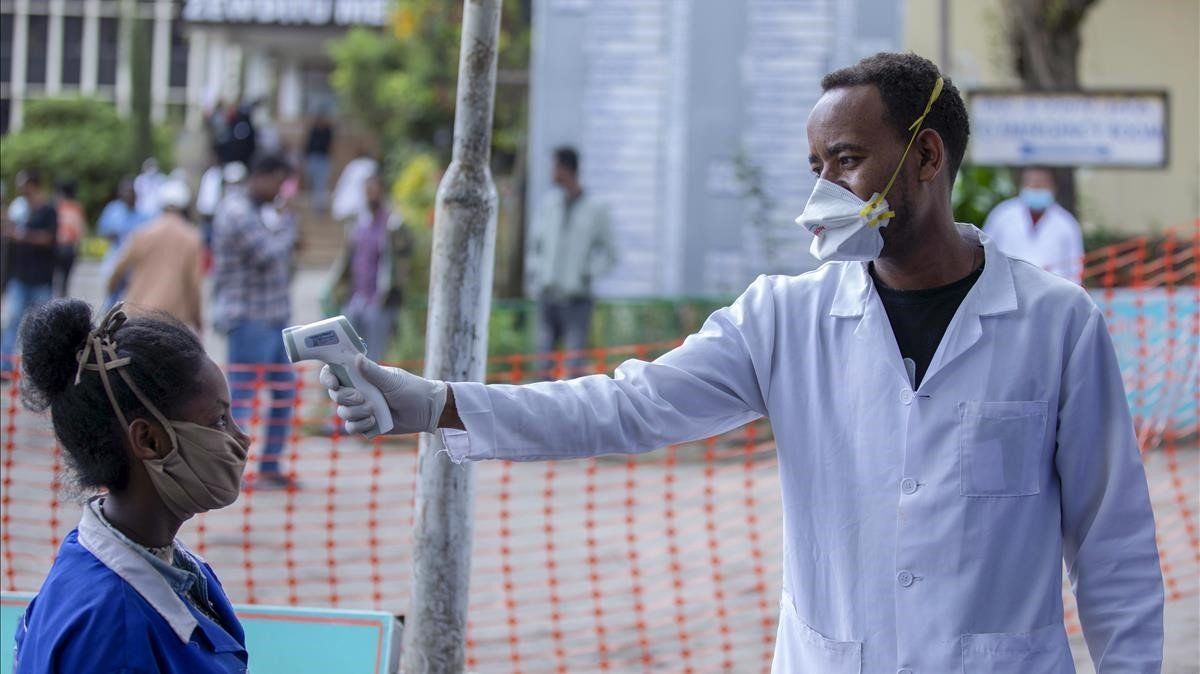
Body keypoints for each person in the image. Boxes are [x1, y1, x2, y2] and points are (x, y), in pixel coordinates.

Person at [321, 53, 1163, 672]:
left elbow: (1112, 541)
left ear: (928, 157)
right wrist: (434, 403)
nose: (824, 190)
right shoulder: (783, 318)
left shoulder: (1056, 325)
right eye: (815, 165)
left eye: (847, 160)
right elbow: (625, 406)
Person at [11, 300, 250, 672]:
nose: (242, 438)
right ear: (149, 441)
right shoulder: (116, 631)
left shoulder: (169, 565)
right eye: (219, 421)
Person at [210, 154, 298, 491]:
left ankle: (271, 464)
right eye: (278, 182)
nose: (279, 191)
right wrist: (289, 225)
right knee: (243, 398)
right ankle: (232, 470)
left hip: (274, 319)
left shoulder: (258, 212)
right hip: (248, 319)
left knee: (286, 391)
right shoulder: (236, 212)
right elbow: (268, 254)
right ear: (261, 176)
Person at [525, 146, 618, 372]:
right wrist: (536, 276)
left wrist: (586, 273)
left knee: (574, 366)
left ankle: (572, 409)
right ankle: (541, 408)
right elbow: (535, 246)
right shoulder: (549, 205)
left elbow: (611, 253)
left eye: (555, 166)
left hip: (577, 299)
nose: (551, 172)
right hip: (548, 296)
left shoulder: (596, 209)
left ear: (566, 169)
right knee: (542, 365)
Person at [324, 172, 413, 359]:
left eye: (374, 191)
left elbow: (402, 258)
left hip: (379, 299)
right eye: (367, 191)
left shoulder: (392, 223)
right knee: (348, 351)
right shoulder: (359, 222)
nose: (370, 195)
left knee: (373, 356)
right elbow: (347, 258)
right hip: (356, 296)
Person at [107, 180, 204, 333]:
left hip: (137, 314)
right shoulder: (191, 237)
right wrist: (198, 320)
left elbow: (117, 271)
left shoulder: (143, 232)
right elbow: (193, 284)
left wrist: (111, 297)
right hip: (172, 320)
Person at [983, 166, 1085, 283]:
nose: (1036, 188)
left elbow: (1076, 269)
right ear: (1021, 185)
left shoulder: (1067, 223)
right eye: (1031, 183)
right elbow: (986, 255)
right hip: (1005, 289)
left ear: (1054, 188)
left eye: (1042, 184)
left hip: (1053, 293)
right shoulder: (1001, 215)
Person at [1, 169, 58, 375]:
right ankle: (4, 366)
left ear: (32, 185)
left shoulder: (48, 210)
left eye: (22, 183)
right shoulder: (20, 209)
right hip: (20, 276)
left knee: (40, 326)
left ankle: (37, 369)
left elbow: (48, 238)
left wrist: (21, 235)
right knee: (12, 322)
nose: (20, 188)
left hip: (40, 279)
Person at [97, 177, 152, 308]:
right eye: (125, 192)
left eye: (131, 192)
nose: (128, 195)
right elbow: (102, 230)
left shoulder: (143, 215)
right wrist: (113, 234)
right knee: (112, 295)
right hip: (115, 258)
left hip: (133, 263)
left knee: (131, 297)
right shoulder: (113, 210)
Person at [53, 179, 86, 298]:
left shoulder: (57, 206)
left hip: (58, 246)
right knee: (65, 280)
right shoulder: (76, 207)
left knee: (56, 279)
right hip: (69, 247)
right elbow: (80, 230)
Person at [330, 146, 377, 224]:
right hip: (357, 202)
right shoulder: (370, 165)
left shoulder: (352, 165)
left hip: (347, 202)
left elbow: (341, 182)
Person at [304, 114, 334, 214]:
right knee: (314, 185)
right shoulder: (313, 131)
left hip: (323, 159)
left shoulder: (327, 132)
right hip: (313, 159)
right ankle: (315, 207)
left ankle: (320, 208)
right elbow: (308, 146)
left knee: (321, 185)